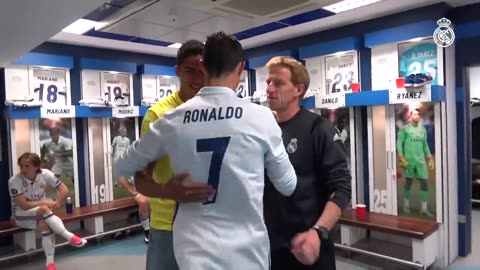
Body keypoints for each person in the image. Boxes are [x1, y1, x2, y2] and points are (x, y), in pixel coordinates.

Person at [115, 31, 297, 270]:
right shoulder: (261, 117)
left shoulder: (173, 119)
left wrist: (167, 189)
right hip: (247, 251)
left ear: (204, 64)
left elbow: (122, 165)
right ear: (241, 67)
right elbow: (288, 185)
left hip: (192, 249)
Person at [263, 56, 351, 270]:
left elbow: (341, 189)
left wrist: (318, 232)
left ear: (298, 90)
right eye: (268, 82)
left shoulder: (319, 129)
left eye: (279, 83)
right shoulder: (263, 129)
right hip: (269, 249)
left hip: (309, 248)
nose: (270, 88)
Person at [133, 39, 213, 270]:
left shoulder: (218, 110)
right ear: (177, 70)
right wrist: (167, 190)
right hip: (170, 224)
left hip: (210, 221)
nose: (197, 78)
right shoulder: (159, 115)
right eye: (190, 70)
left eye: (203, 71)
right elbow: (141, 179)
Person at [8, 152, 87, 270]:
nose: (23, 169)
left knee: (45, 224)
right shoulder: (14, 181)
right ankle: (69, 237)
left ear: (36, 166)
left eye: (27, 166)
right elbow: (24, 205)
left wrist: (57, 203)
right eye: (21, 166)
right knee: (44, 208)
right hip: (21, 215)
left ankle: (50, 264)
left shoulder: (46, 174)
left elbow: (64, 190)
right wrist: (46, 203)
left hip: (42, 213)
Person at [397, 108, 435, 217]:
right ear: (411, 116)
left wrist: (429, 157)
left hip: (420, 162)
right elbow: (399, 143)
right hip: (409, 161)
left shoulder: (422, 130)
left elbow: (425, 145)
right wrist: (400, 156)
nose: (417, 116)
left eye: (418, 114)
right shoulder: (405, 129)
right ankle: (406, 206)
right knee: (408, 182)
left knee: (424, 184)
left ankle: (424, 209)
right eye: (414, 114)